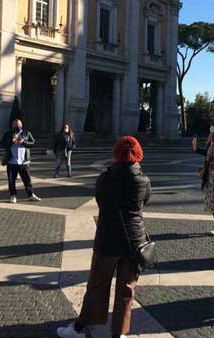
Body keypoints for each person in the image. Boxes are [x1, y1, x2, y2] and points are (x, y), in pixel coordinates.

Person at [57, 136, 151, 338]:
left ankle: (80, 328)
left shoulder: (105, 179)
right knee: (127, 290)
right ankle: (120, 334)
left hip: (107, 240)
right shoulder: (143, 180)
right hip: (134, 242)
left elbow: (101, 201)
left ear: (116, 155)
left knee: (97, 286)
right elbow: (144, 203)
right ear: (138, 156)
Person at [0, 118, 40, 204]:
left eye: (19, 124)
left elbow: (33, 143)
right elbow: (1, 144)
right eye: (16, 124)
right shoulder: (8, 134)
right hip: (11, 161)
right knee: (11, 181)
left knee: (27, 180)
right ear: (12, 125)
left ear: (21, 125)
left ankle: (31, 195)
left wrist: (23, 142)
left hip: (23, 162)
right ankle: (13, 196)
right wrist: (11, 141)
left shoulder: (26, 133)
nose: (18, 126)